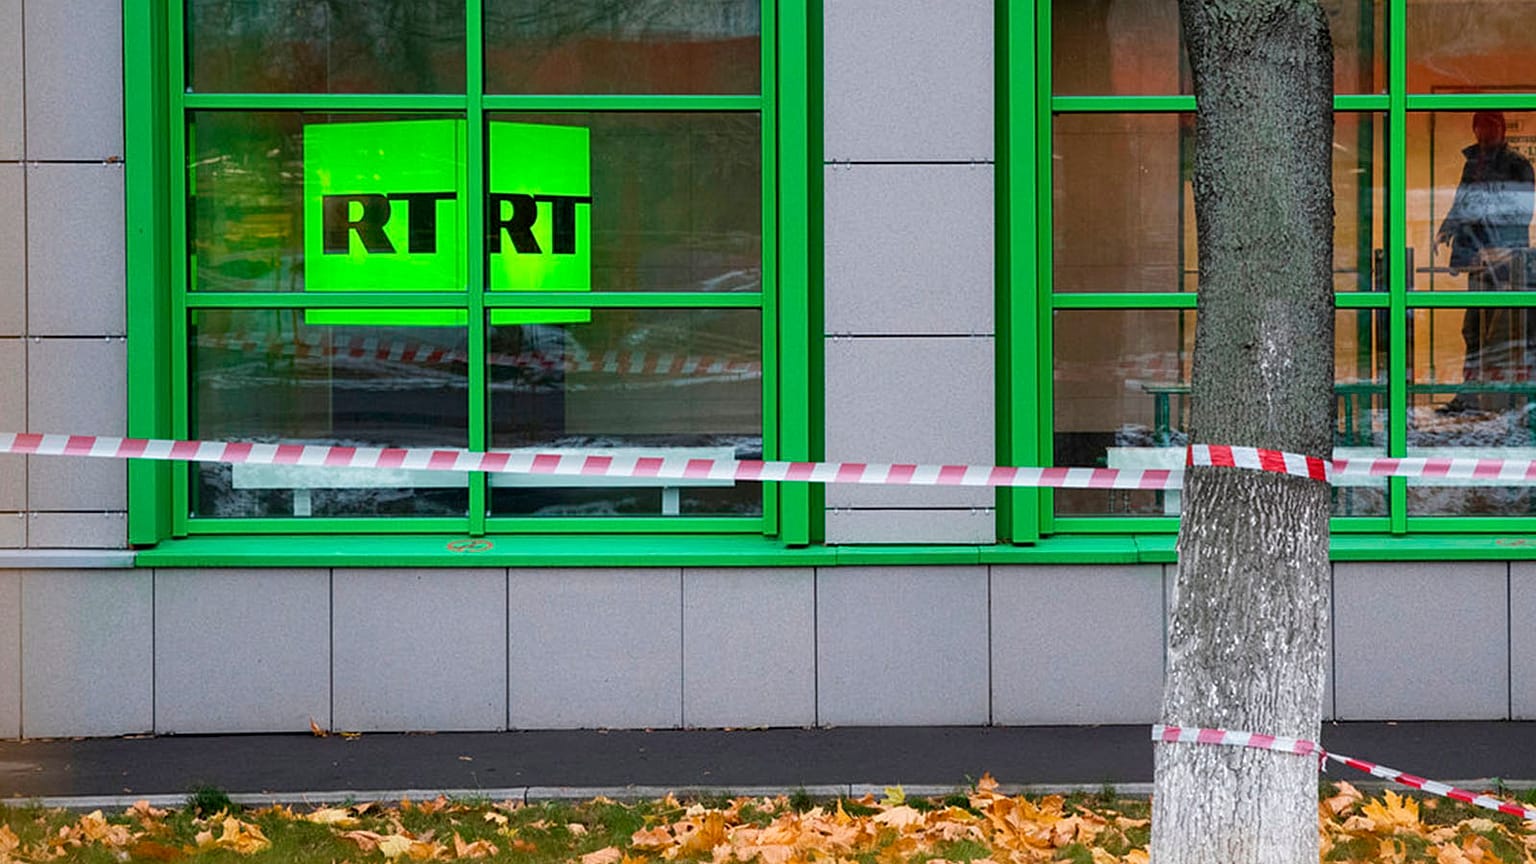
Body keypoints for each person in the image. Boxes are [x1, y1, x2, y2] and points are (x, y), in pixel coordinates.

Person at [1435, 111, 1536, 413]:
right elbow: (1463, 200)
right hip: (1477, 258)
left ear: (1502, 129)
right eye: (1480, 126)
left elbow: (1521, 212)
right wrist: (1447, 228)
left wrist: (1503, 249)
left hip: (1506, 264)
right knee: (1474, 329)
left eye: (1490, 126)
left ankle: (1507, 400)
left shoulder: (1517, 165)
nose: (1484, 132)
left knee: (1504, 333)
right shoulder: (1473, 164)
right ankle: (1471, 396)